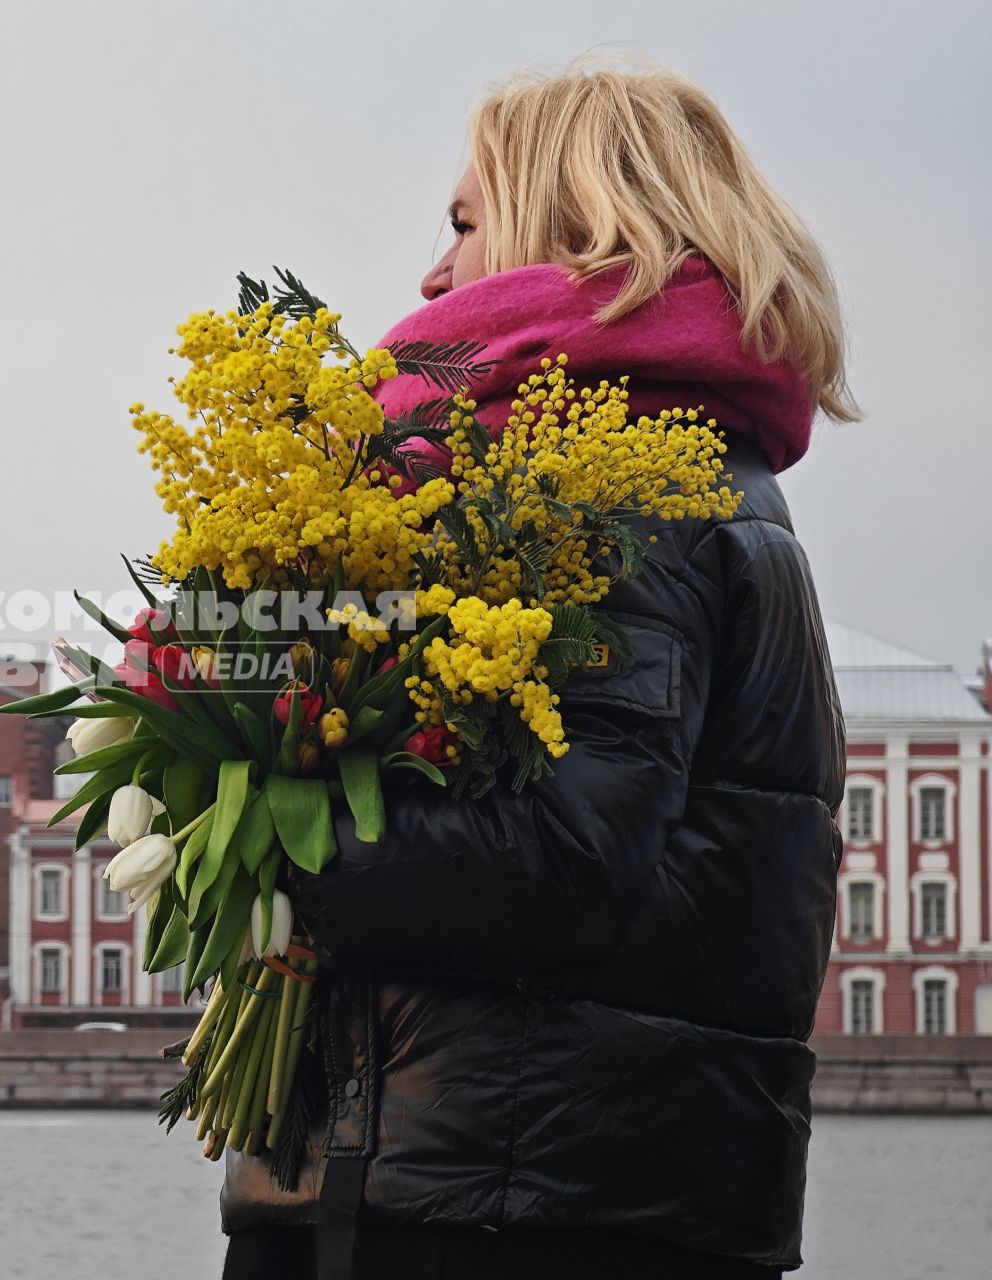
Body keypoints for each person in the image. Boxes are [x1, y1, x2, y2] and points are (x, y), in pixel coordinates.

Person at [220, 60, 854, 1279]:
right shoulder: (670, 483)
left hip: (500, 1212)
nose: (433, 273)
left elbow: (556, 863)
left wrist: (256, 832)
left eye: (465, 223)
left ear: (578, 234)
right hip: (552, 1193)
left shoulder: (615, 490)